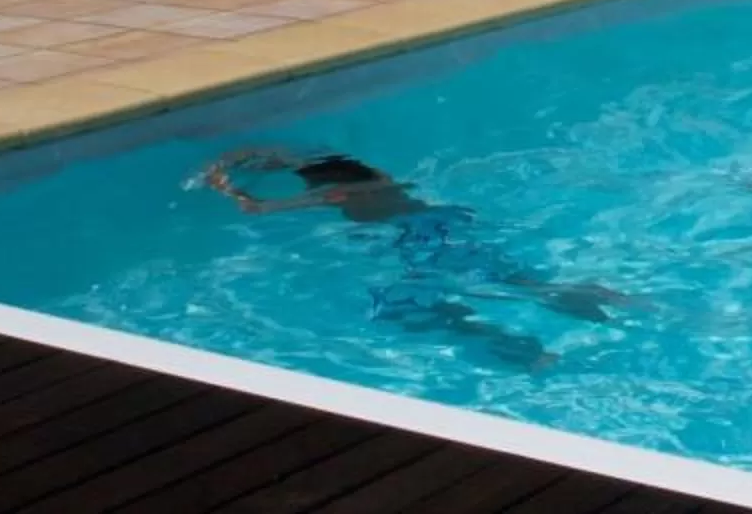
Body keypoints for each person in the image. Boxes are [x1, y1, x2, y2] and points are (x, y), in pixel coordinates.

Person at [203, 149, 640, 363]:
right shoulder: (377, 178)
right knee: (517, 285)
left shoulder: (338, 193)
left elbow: (257, 208)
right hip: (443, 223)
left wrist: (225, 183)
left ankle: (529, 354)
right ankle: (604, 302)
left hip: (421, 239)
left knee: (404, 309)